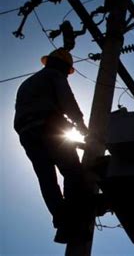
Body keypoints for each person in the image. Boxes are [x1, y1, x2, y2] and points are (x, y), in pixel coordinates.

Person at [14, 48, 89, 243]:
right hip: (48, 126)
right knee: (73, 172)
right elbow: (67, 101)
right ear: (64, 67)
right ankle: (73, 218)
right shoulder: (55, 75)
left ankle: (62, 220)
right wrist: (81, 126)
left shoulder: (27, 83)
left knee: (46, 178)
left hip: (27, 134)